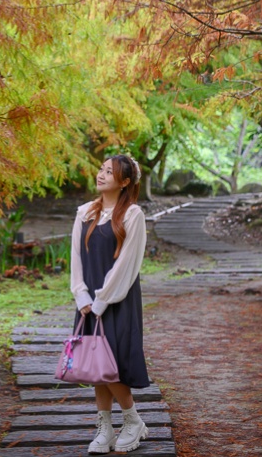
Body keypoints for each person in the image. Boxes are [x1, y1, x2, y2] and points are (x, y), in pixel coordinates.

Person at [69, 154, 150, 454]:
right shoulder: (84, 213)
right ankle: (105, 427)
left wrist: (102, 300)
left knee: (112, 365)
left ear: (125, 182)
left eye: (110, 172)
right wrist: (81, 295)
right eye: (101, 170)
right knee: (96, 366)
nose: (101, 175)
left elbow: (128, 265)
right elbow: (76, 258)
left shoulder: (133, 215)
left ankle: (133, 420)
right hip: (87, 302)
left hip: (117, 300)